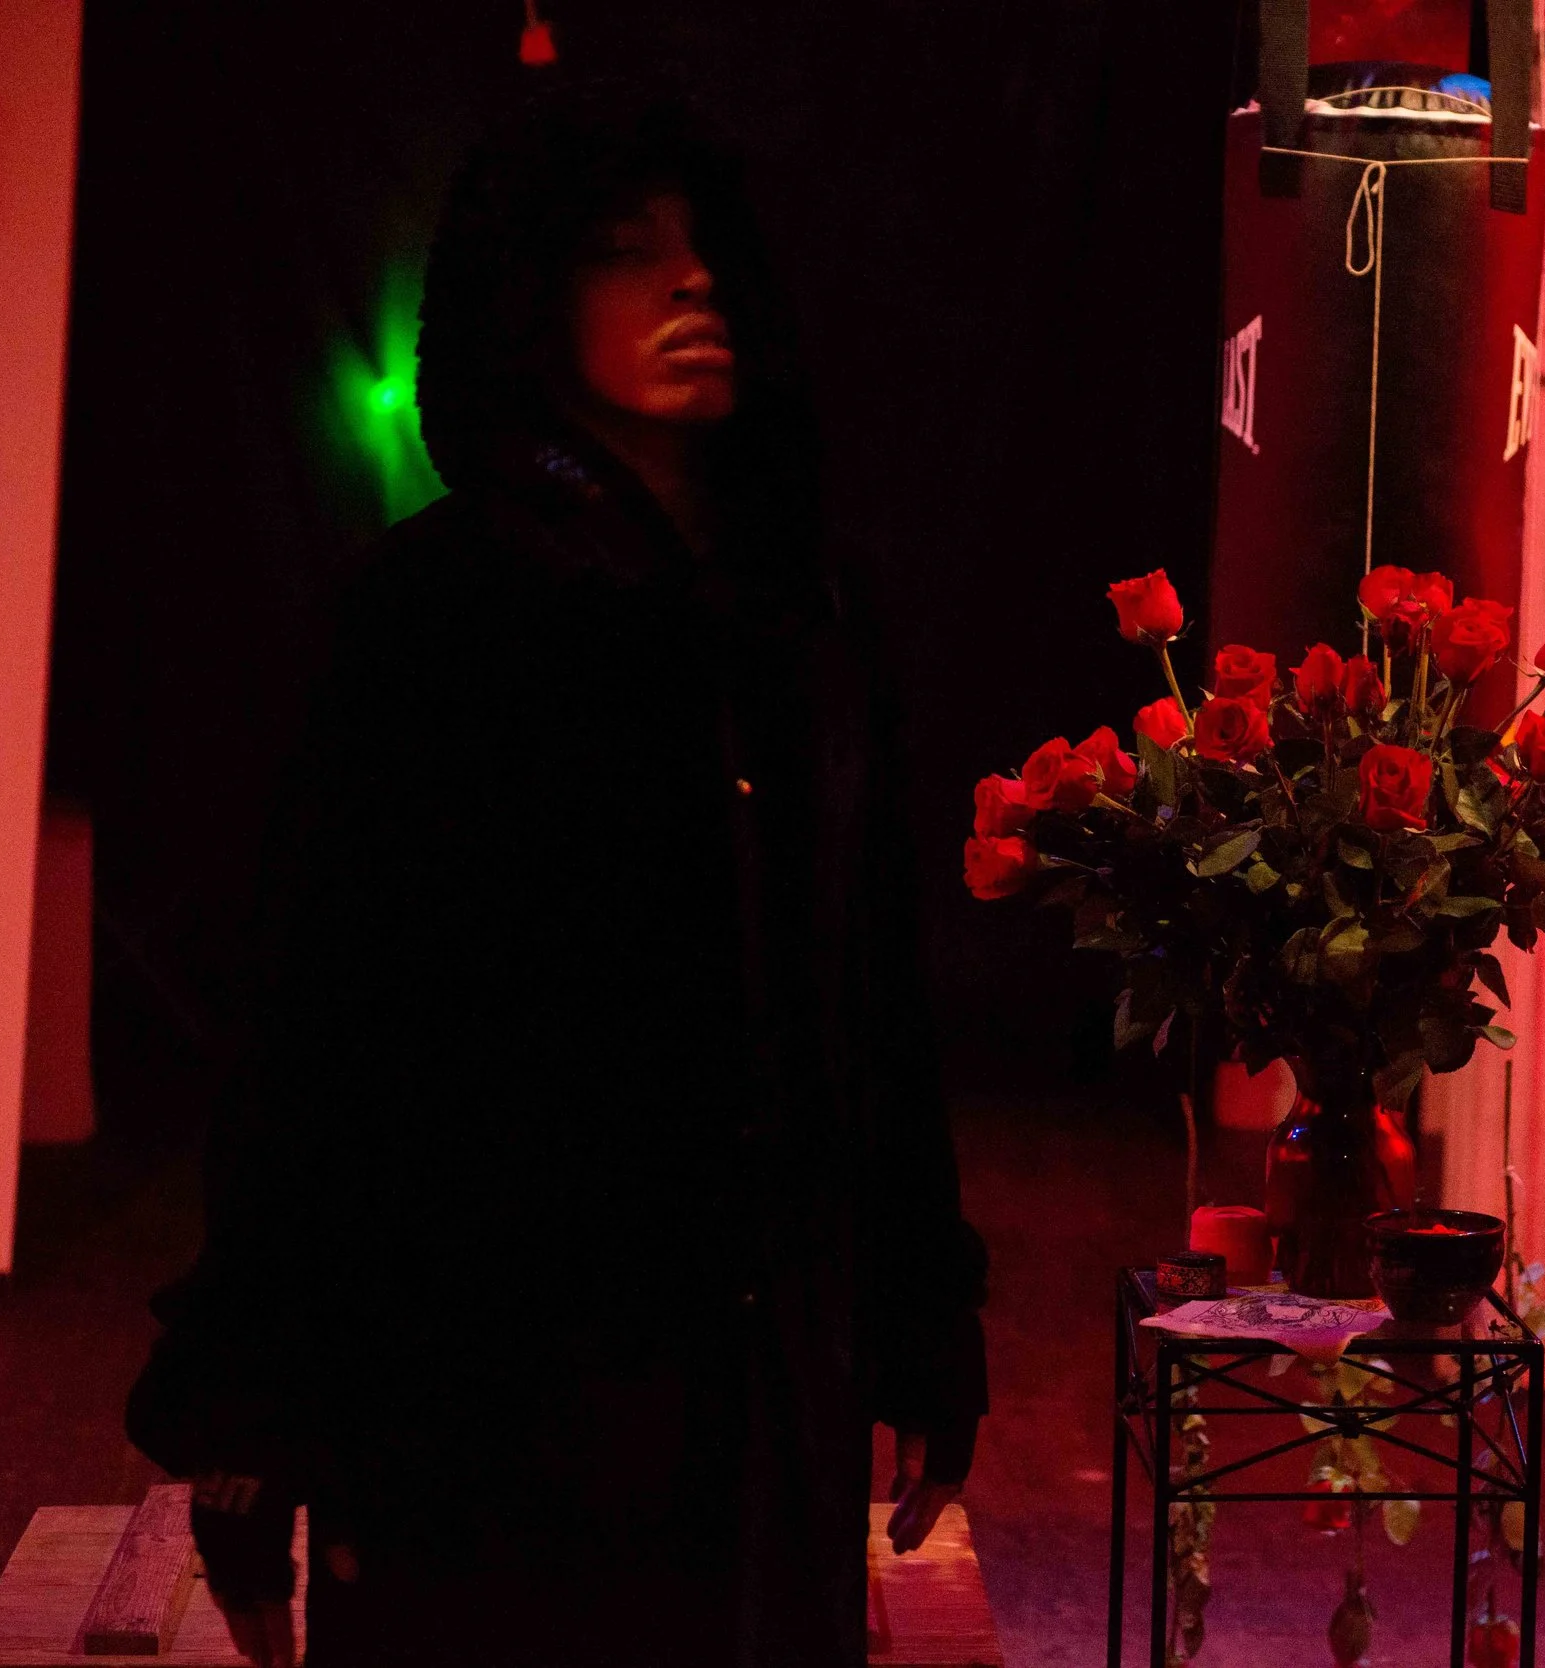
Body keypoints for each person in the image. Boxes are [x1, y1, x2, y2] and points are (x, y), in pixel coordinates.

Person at [125, 81, 988, 1667]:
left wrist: (924, 1332)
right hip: (494, 1395)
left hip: (763, 1401)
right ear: (528, 297)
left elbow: (870, 994)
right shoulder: (432, 619)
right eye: (622, 251)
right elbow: (322, 1034)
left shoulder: (808, 616)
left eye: (705, 246)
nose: (690, 282)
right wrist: (256, 1419)